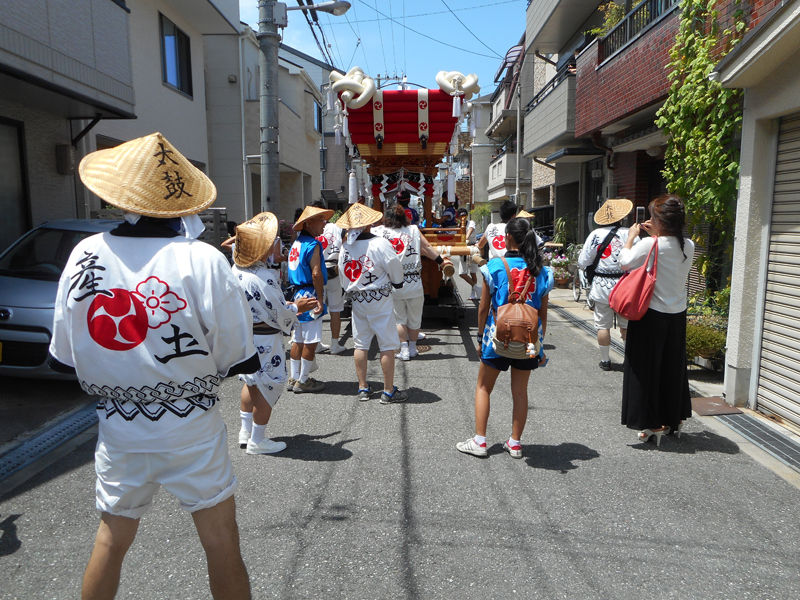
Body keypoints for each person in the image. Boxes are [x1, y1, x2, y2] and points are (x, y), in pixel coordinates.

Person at [48, 133, 256, 599]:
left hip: (119, 426)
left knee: (111, 539)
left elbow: (65, 355)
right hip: (191, 425)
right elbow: (236, 353)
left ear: (121, 198)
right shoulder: (203, 258)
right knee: (221, 541)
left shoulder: (85, 253)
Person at [457, 217, 553, 459]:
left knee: (483, 387)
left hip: (496, 338)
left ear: (507, 237)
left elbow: (483, 308)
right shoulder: (540, 270)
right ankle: (515, 443)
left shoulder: (495, 267)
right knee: (520, 392)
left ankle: (480, 441)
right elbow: (542, 314)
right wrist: (539, 347)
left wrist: (480, 337)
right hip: (528, 340)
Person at [231, 212, 316, 455]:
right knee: (269, 385)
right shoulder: (263, 277)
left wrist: (288, 307)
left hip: (245, 336)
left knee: (251, 381)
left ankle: (245, 431)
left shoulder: (235, 270)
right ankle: (257, 439)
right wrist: (297, 307)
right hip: (265, 338)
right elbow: (279, 312)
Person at [619, 194, 695, 446]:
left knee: (645, 369)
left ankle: (651, 423)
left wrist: (631, 238)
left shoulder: (650, 244)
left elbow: (624, 262)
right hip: (677, 314)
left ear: (660, 220)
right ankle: (674, 418)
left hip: (650, 315)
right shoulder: (688, 245)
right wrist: (656, 235)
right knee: (672, 368)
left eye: (653, 216)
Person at [337, 202, 407, 403]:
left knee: (361, 343)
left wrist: (349, 287)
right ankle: (388, 390)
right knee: (386, 344)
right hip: (380, 298)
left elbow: (342, 273)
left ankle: (363, 387)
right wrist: (398, 282)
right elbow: (393, 265)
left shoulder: (346, 246)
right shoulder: (380, 243)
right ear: (368, 224)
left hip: (358, 299)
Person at [373, 201, 445, 361]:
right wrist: (441, 262)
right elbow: (427, 247)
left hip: (393, 283)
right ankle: (413, 348)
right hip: (414, 282)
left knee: (399, 318)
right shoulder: (413, 230)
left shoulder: (379, 232)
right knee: (415, 318)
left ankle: (404, 349)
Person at [577, 198, 636, 371]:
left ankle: (605, 361)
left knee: (603, 325)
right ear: (622, 217)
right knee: (626, 326)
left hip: (601, 285)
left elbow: (583, 262)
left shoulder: (595, 235)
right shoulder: (630, 234)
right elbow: (639, 260)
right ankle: (629, 362)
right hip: (625, 285)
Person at [287, 205, 333, 393]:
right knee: (311, 340)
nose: (324, 223)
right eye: (320, 220)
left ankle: (294, 377)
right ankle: (304, 380)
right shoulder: (313, 244)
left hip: (296, 295)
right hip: (310, 294)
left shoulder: (296, 244)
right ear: (308, 223)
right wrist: (320, 299)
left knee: (297, 338)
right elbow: (316, 273)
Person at [311, 201, 346, 354]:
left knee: (317, 307)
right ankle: (335, 344)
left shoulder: (309, 228)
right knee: (335, 310)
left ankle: (317, 342)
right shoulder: (337, 227)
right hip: (334, 270)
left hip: (316, 271)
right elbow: (345, 241)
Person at [456, 207, 481, 300]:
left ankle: (473, 293)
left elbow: (469, 231)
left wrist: (465, 239)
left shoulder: (471, 223)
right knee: (462, 273)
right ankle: (477, 288)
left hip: (472, 248)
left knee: (473, 272)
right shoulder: (458, 226)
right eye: (461, 216)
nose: (463, 217)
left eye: (465, 215)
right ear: (458, 217)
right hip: (463, 249)